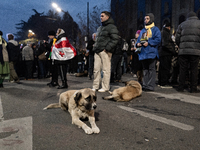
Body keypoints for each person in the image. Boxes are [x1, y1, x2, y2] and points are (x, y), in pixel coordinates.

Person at [92, 11, 119, 92]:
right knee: (96, 69)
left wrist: (107, 48)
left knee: (106, 70)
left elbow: (115, 39)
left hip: (105, 51)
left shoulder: (112, 27)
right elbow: (98, 39)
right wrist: (95, 45)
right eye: (100, 16)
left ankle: (105, 87)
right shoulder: (100, 28)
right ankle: (96, 86)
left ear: (107, 17)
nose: (101, 17)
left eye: (102, 16)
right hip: (97, 51)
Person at [175, 11, 200, 93]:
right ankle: (193, 88)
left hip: (183, 51)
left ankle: (181, 87)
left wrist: (181, 45)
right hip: (195, 51)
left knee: (182, 69)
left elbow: (177, 39)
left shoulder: (182, 24)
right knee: (194, 69)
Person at [136, 13, 161, 91]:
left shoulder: (155, 29)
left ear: (151, 19)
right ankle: (145, 85)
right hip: (143, 53)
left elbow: (158, 39)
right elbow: (138, 40)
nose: (145, 20)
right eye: (145, 19)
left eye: (147, 19)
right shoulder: (143, 30)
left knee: (151, 69)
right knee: (145, 70)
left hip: (151, 52)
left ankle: (150, 86)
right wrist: (138, 44)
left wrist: (149, 42)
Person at [158, 22, 176, 88]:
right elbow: (165, 44)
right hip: (166, 53)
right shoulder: (165, 33)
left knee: (162, 67)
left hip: (162, 52)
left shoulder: (162, 32)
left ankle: (161, 81)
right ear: (168, 27)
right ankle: (164, 82)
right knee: (165, 68)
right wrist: (173, 50)